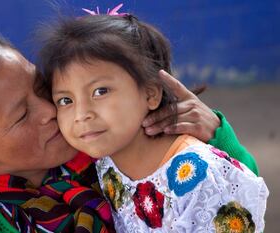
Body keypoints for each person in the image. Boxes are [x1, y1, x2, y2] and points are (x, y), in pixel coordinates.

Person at [0, 30, 259, 233]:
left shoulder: (95, 149)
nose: (55, 111)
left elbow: (234, 205)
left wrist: (215, 136)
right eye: (22, 115)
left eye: (40, 87)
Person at [37, 12, 268, 232]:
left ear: (151, 94)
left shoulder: (198, 174)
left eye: (100, 91)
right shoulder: (104, 160)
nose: (81, 114)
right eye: (66, 100)